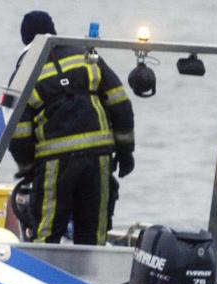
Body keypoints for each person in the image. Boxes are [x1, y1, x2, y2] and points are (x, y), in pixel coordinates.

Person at [8, 11, 135, 245]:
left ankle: (43, 269)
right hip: (98, 157)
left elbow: (18, 131)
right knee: (93, 234)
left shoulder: (24, 73)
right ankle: (93, 268)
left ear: (25, 38)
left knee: (46, 233)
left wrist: (27, 168)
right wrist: (126, 152)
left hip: (55, 162)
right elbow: (120, 103)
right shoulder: (86, 55)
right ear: (54, 30)